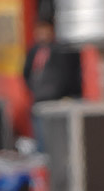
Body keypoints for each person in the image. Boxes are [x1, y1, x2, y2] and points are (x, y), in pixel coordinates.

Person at [23, 19, 81, 151]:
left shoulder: (61, 50)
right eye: (39, 31)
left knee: (57, 141)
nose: (41, 34)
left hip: (57, 102)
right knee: (41, 140)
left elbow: (67, 75)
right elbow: (26, 73)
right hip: (38, 101)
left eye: (45, 30)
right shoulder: (33, 51)